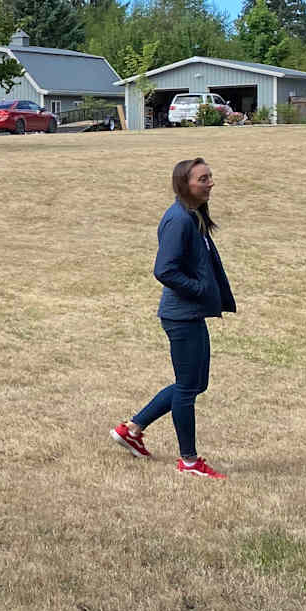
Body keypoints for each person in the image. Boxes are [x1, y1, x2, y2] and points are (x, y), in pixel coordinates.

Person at [111, 157, 235, 479]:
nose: (210, 183)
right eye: (203, 179)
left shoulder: (192, 215)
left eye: (210, 177)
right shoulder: (178, 220)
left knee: (195, 384)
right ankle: (189, 461)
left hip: (190, 314)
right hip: (182, 316)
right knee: (187, 387)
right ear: (185, 184)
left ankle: (132, 429)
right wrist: (199, 288)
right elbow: (164, 269)